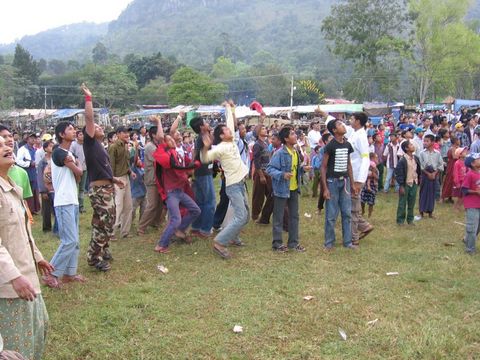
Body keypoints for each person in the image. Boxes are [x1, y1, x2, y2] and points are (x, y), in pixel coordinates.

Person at [0, 135, 54, 360]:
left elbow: (22, 231)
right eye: (0, 145)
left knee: (38, 332)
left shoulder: (11, 185)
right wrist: (13, 276)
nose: (7, 146)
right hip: (10, 288)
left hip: (27, 276)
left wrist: (38, 256)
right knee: (17, 347)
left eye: (6, 142)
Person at [200, 102, 250, 259]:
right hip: (233, 186)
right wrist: (206, 147)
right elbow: (205, 158)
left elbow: (230, 122)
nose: (231, 130)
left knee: (246, 215)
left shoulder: (232, 141)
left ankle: (233, 237)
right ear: (221, 135)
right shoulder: (221, 147)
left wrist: (230, 108)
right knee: (241, 216)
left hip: (240, 184)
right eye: (228, 131)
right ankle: (219, 242)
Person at [82, 84, 121, 272]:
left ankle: (103, 249)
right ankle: (93, 257)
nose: (98, 127)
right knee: (106, 222)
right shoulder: (90, 142)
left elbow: (101, 169)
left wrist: (114, 179)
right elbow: (89, 118)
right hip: (99, 191)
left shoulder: (100, 147)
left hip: (106, 188)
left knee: (103, 221)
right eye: (96, 127)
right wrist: (89, 98)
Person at [42, 122, 86, 289]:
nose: (74, 131)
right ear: (61, 134)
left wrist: (77, 168)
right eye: (69, 129)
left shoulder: (68, 153)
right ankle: (50, 274)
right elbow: (79, 172)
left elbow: (78, 176)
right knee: (69, 240)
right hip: (63, 201)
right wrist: (78, 168)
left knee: (75, 240)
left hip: (72, 200)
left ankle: (70, 272)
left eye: (73, 128)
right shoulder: (58, 152)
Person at [152, 117, 201, 254]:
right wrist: (159, 122)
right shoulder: (165, 156)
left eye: (173, 138)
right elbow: (161, 138)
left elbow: (185, 166)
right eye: (169, 139)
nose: (173, 140)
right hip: (171, 192)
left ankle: (180, 230)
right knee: (175, 218)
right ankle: (161, 245)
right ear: (164, 143)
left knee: (195, 210)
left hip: (180, 190)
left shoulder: (176, 153)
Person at [267, 126, 309, 253]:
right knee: (279, 217)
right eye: (292, 134)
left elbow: (295, 169)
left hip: (294, 189)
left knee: (294, 216)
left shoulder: (295, 152)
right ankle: (277, 244)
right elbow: (270, 169)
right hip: (281, 190)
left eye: (294, 134)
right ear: (285, 138)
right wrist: (282, 175)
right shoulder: (279, 153)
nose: (295, 135)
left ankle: (293, 243)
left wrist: (302, 169)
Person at [321, 119, 357, 251]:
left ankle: (347, 242)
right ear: (334, 130)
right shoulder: (330, 146)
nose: (343, 126)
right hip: (332, 182)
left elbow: (349, 165)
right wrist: (325, 188)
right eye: (340, 125)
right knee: (331, 214)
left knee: (346, 213)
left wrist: (352, 184)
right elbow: (323, 167)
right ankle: (329, 242)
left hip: (345, 182)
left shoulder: (347, 145)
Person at [348, 112, 374, 245]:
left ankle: (354, 238)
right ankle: (363, 226)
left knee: (353, 208)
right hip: (352, 175)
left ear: (357, 121)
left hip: (357, 177)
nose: (350, 120)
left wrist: (359, 181)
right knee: (352, 205)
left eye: (352, 119)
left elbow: (365, 158)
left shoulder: (361, 137)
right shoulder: (355, 133)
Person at [190, 116, 216, 238]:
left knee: (200, 201)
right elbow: (199, 156)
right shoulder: (202, 139)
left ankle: (196, 227)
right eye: (205, 122)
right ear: (201, 127)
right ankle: (205, 229)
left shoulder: (202, 137)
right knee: (210, 202)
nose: (208, 123)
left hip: (200, 172)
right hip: (204, 173)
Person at [109, 126, 136, 238]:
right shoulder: (113, 147)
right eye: (125, 133)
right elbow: (111, 165)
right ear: (118, 134)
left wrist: (130, 172)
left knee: (128, 206)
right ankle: (112, 232)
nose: (127, 135)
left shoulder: (126, 146)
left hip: (126, 177)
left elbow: (125, 163)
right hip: (117, 179)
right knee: (118, 206)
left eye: (128, 133)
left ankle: (125, 231)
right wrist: (113, 181)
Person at [137, 124, 164, 235]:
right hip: (152, 179)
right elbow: (159, 159)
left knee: (161, 203)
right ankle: (141, 227)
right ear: (153, 135)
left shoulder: (156, 145)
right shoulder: (150, 147)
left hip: (158, 178)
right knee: (152, 204)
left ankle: (155, 222)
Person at [251, 124, 274, 224]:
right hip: (261, 172)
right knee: (258, 196)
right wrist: (261, 175)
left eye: (265, 128)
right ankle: (255, 215)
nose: (265, 130)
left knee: (271, 195)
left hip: (268, 172)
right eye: (263, 129)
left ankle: (265, 217)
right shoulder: (257, 145)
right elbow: (256, 161)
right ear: (258, 132)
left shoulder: (265, 143)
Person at [395, 140, 421, 225]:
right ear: (406, 148)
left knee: (412, 202)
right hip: (406, 183)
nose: (413, 146)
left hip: (414, 183)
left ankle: (410, 219)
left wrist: (418, 181)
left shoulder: (415, 158)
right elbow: (399, 173)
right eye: (410, 145)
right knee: (402, 203)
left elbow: (418, 170)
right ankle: (400, 220)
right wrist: (401, 185)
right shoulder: (403, 160)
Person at [419, 134, 444, 218]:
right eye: (424, 141)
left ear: (433, 142)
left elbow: (440, 165)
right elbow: (421, 166)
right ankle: (421, 211)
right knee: (423, 193)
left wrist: (434, 173)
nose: (425, 143)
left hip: (434, 175)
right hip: (425, 175)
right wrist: (428, 173)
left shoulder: (437, 153)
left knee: (432, 193)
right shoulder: (422, 153)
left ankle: (430, 212)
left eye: (427, 141)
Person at [15, 133, 40, 214]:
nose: (33, 140)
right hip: (27, 172)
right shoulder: (22, 149)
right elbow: (18, 161)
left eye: (34, 138)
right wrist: (29, 164)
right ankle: (28, 209)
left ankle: (34, 209)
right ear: (27, 139)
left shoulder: (35, 149)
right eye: (31, 138)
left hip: (34, 172)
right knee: (27, 191)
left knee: (34, 190)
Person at [36, 140, 57, 233]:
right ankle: (46, 228)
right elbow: (40, 177)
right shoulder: (42, 162)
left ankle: (57, 227)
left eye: (53, 145)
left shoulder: (56, 160)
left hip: (55, 188)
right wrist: (43, 190)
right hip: (46, 188)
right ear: (45, 149)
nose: (52, 147)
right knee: (46, 210)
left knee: (56, 208)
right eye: (50, 146)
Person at [462, 153, 480, 253]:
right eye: (478, 159)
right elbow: (464, 190)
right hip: (472, 204)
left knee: (477, 226)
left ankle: (467, 239)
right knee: (472, 226)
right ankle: (470, 249)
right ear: (473, 164)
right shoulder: (470, 175)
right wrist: (476, 192)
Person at [70, 129, 87, 213]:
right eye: (80, 134)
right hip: (75, 169)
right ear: (77, 136)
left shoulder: (86, 145)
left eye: (83, 134)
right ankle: (74, 205)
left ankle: (81, 206)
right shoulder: (73, 145)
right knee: (74, 187)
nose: (82, 136)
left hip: (84, 169)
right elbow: (71, 156)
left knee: (82, 188)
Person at [442, 136, 460, 202]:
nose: (459, 141)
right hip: (452, 166)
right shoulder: (453, 148)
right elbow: (454, 156)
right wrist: (461, 156)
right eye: (458, 140)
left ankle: (450, 197)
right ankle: (444, 196)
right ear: (455, 142)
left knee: (452, 182)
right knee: (449, 180)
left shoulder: (456, 148)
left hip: (454, 165)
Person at [360, 154, 379, 218]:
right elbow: (363, 176)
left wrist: (373, 173)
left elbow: (377, 178)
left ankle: (369, 214)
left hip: (373, 186)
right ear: (372, 159)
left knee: (371, 202)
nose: (377, 160)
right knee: (362, 200)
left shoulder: (376, 169)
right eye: (376, 158)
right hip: (364, 186)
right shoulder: (365, 167)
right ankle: (362, 211)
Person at [453, 147, 468, 211]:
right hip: (460, 181)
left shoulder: (465, 162)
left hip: (465, 181)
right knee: (459, 196)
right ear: (460, 154)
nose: (466, 153)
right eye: (464, 152)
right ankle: (456, 207)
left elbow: (467, 171)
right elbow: (455, 174)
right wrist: (457, 183)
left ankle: (462, 206)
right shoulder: (457, 163)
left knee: (464, 195)